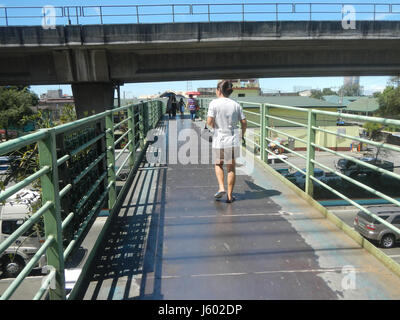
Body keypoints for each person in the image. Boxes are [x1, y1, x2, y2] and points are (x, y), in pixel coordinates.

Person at [207, 80, 247, 203]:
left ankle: (221, 187)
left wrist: (213, 130)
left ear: (219, 90)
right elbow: (244, 123)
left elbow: (209, 122)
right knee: (231, 168)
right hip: (233, 139)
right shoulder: (236, 104)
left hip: (219, 138)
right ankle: (230, 196)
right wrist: (241, 135)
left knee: (218, 164)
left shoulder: (214, 103)